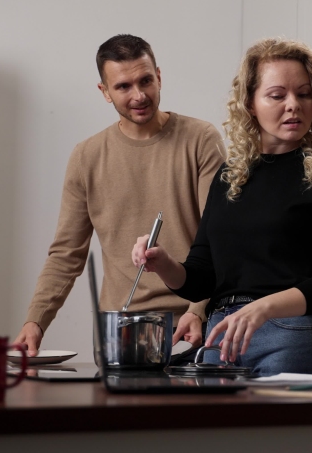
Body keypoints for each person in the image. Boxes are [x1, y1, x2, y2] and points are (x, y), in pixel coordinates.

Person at [132, 38, 312, 376]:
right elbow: (202, 278)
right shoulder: (229, 177)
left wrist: (265, 308)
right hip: (221, 336)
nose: (293, 105)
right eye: (277, 95)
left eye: (304, 94)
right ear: (250, 104)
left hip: (293, 333)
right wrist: (164, 263)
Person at [14, 34, 225, 356]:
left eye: (146, 81)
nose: (139, 95)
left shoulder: (200, 139)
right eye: (123, 86)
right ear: (105, 92)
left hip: (196, 325)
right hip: (122, 332)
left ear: (159, 76)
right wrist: (35, 321)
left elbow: (221, 236)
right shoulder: (87, 156)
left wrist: (197, 310)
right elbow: (66, 254)